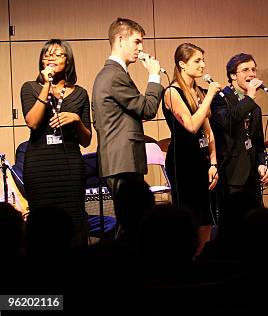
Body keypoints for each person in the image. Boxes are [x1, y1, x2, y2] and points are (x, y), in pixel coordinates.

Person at [20, 39, 92, 245]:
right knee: (42, 222)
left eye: (57, 54)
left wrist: (76, 121)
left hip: (69, 163)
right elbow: (32, 122)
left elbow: (86, 140)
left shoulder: (80, 93)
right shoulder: (30, 88)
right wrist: (46, 86)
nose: (50, 58)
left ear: (68, 61)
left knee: (73, 220)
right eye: (46, 55)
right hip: (40, 165)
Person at [92, 18, 164, 199]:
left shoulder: (110, 74)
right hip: (123, 162)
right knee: (132, 221)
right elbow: (148, 109)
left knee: (131, 220)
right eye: (137, 42)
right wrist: (154, 76)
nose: (140, 48)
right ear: (120, 40)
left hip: (119, 161)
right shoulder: (114, 75)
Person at [162, 43, 221, 253]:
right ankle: (185, 260)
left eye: (203, 60)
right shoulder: (172, 92)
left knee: (206, 216)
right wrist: (209, 97)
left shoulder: (197, 91)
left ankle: (201, 258)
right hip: (182, 161)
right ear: (182, 64)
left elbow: (208, 131)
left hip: (201, 160)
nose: (203, 65)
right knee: (189, 216)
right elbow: (191, 125)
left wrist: (213, 162)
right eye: (197, 61)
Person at [210, 53, 268, 212]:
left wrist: (261, 164)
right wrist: (250, 97)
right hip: (231, 175)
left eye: (253, 69)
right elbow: (229, 122)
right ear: (232, 76)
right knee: (234, 225)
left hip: (252, 176)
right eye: (245, 70)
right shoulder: (220, 100)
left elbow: (258, 143)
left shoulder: (255, 108)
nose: (251, 74)